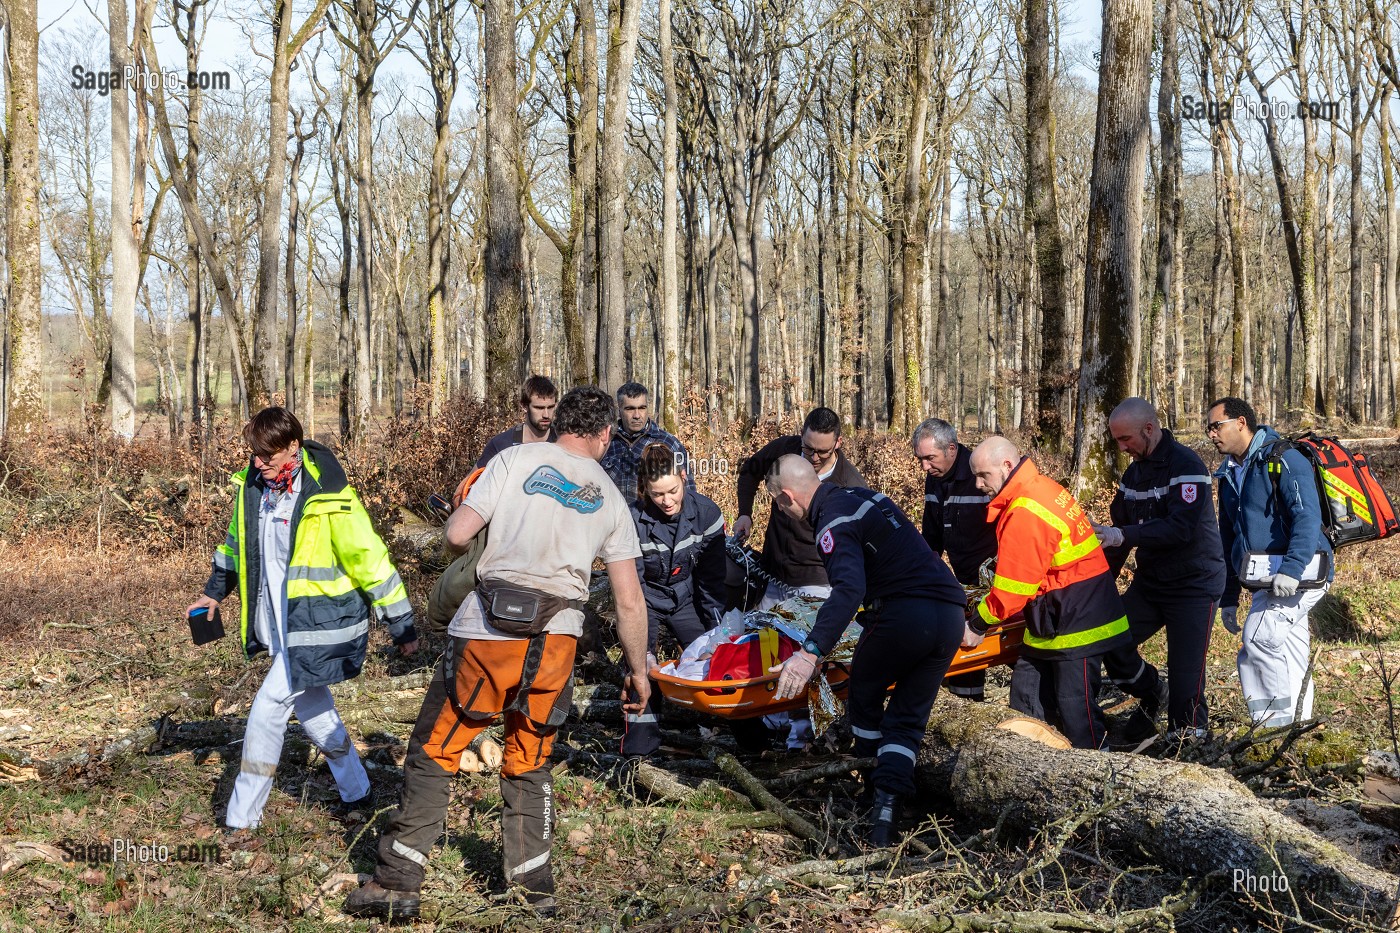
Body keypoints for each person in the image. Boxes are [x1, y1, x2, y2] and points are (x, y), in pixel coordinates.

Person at [346, 387, 652, 921]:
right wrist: (639, 671)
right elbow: (629, 600)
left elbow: (456, 535)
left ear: (560, 424)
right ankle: (533, 893)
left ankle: (397, 882)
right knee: (529, 760)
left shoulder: (512, 458)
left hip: (486, 633)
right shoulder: (609, 494)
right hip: (556, 642)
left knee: (436, 751)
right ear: (605, 434)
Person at [188, 407, 418, 831]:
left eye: (267, 455)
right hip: (277, 625)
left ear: (293, 446)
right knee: (314, 709)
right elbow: (235, 546)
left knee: (266, 711)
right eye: (254, 454)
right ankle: (358, 790)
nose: (258, 463)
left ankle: (242, 820)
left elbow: (370, 559)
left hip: (320, 626)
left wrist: (401, 622)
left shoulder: (329, 494)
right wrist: (213, 593)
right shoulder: (253, 489)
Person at [764, 456, 967, 846]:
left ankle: (875, 797)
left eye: (778, 504)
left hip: (904, 614)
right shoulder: (861, 496)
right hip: (948, 614)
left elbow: (848, 590)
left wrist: (810, 652)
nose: (783, 512)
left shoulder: (831, 522)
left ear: (787, 497)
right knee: (906, 720)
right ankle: (890, 812)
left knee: (864, 699)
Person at [965, 437, 1131, 750]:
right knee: (1026, 695)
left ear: (1006, 466)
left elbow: (1014, 589)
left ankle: (1099, 771)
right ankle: (1031, 765)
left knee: (1076, 710)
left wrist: (976, 624)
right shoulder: (1039, 488)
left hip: (1078, 620)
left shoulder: (1027, 508)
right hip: (1054, 615)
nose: (977, 484)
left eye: (983, 476)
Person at [1094, 398, 1225, 746]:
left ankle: (1188, 739)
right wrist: (1099, 586)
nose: (1122, 448)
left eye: (1126, 440)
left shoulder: (1187, 466)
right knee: (1107, 637)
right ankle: (1153, 693)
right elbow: (1118, 534)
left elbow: (1179, 528)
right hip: (1151, 583)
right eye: (1116, 441)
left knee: (1186, 672)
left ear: (1149, 429)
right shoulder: (1133, 473)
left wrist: (1125, 534)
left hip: (1194, 584)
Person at [1208, 396, 1333, 728]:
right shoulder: (1230, 474)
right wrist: (1229, 596)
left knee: (1259, 639)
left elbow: (1307, 516)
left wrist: (1292, 569)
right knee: (1281, 650)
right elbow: (1229, 540)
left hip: (1303, 572)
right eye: (1209, 428)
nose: (1211, 434)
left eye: (1216, 425)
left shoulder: (1284, 458)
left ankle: (1274, 727)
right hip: (1267, 577)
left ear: (1241, 423)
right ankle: (1298, 727)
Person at [620, 443, 727, 757]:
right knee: (640, 665)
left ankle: (743, 735)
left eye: (673, 491)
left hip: (685, 598)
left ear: (683, 477)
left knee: (715, 657)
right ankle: (640, 749)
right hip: (645, 601)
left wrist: (716, 634)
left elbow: (711, 582)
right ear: (645, 491)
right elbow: (632, 587)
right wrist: (640, 644)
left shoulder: (707, 513)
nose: (667, 501)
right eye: (657, 495)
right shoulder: (632, 520)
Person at [733, 407, 868, 610]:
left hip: (816, 583)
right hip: (772, 574)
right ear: (802, 434)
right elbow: (749, 472)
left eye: (822, 451)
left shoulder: (850, 484)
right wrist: (744, 514)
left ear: (837, 443)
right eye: (808, 448)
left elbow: (858, 544)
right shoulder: (784, 450)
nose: (814, 457)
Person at [911, 417, 996, 702]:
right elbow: (931, 536)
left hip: (998, 580)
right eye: (920, 459)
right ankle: (967, 704)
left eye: (930, 458)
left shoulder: (979, 475)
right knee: (960, 640)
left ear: (951, 448)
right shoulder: (934, 478)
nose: (925, 466)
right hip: (962, 581)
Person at [599, 381, 695, 504]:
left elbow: (688, 491)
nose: (637, 415)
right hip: (611, 519)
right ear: (619, 410)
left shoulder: (668, 443)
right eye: (630, 409)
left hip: (652, 521)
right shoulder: (606, 441)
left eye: (642, 408)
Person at [475, 374, 558, 468]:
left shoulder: (563, 442)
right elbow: (471, 480)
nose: (546, 415)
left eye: (550, 407)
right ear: (524, 407)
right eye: (539, 408)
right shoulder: (502, 445)